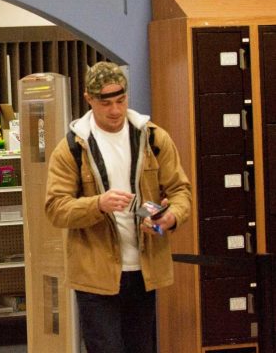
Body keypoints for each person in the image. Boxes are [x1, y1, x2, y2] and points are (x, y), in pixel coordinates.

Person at [44, 62, 192, 353]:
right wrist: (98, 204)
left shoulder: (153, 138)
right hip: (95, 276)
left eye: (121, 101)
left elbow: (180, 190)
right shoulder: (72, 147)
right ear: (89, 99)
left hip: (144, 271)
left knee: (142, 348)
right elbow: (56, 208)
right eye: (106, 102)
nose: (115, 110)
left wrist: (172, 217)